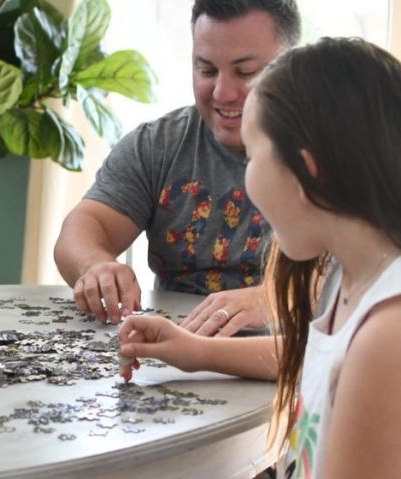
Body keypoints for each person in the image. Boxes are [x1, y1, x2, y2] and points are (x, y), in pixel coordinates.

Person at [118, 37, 401, 479]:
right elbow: (323, 360)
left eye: (252, 155)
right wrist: (195, 350)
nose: (245, 182)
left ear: (308, 169)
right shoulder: (353, 277)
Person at [54, 0, 300, 336]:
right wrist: (96, 265)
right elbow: (83, 227)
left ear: (293, 64)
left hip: (291, 363)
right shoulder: (158, 144)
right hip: (172, 357)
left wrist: (273, 299)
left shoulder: (333, 153)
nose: (222, 92)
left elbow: (365, 273)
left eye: (245, 72)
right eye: (207, 70)